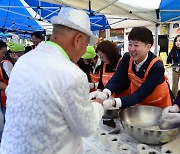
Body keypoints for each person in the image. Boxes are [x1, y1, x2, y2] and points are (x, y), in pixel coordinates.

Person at [0, 7, 104, 154]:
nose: (83, 53)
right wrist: (98, 105)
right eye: (85, 45)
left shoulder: (24, 61)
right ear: (78, 39)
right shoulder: (71, 74)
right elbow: (87, 127)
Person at [90, 27, 172, 109]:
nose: (132, 49)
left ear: (148, 47)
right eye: (130, 44)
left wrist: (113, 102)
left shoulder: (157, 66)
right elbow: (117, 78)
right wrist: (105, 93)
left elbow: (141, 93)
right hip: (139, 104)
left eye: (136, 45)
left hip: (159, 105)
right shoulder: (127, 58)